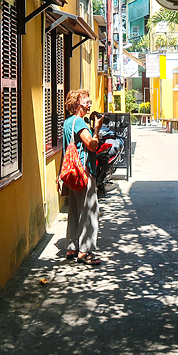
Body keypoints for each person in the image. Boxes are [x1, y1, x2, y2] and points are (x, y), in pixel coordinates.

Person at [62, 89, 103, 266]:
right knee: (89, 211)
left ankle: (71, 247)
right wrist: (96, 129)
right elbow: (92, 146)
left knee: (74, 210)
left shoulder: (67, 122)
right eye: (86, 101)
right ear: (77, 103)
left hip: (72, 174)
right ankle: (85, 251)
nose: (89, 104)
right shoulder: (79, 123)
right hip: (84, 172)